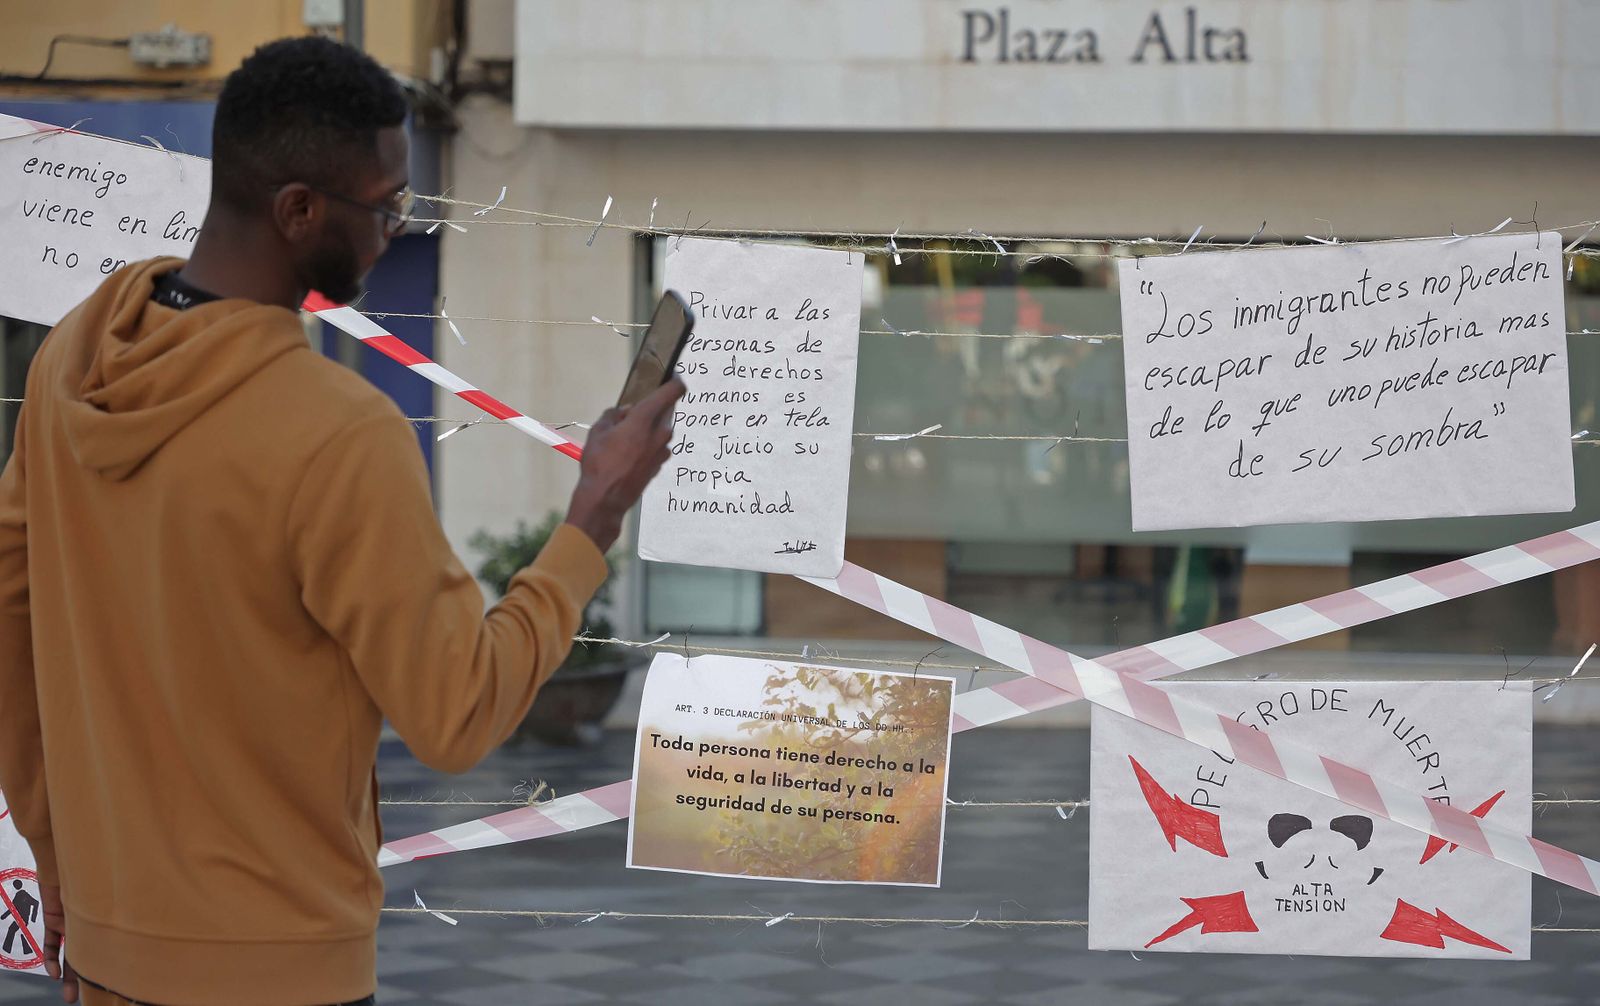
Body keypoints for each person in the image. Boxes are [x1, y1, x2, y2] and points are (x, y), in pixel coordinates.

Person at [0, 36, 682, 1005]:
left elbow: (11, 627)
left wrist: (54, 855)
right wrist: (593, 518)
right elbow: (456, 712)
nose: (393, 231)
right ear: (298, 210)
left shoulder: (69, 362)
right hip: (277, 967)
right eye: (386, 205)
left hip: (107, 953)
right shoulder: (338, 432)